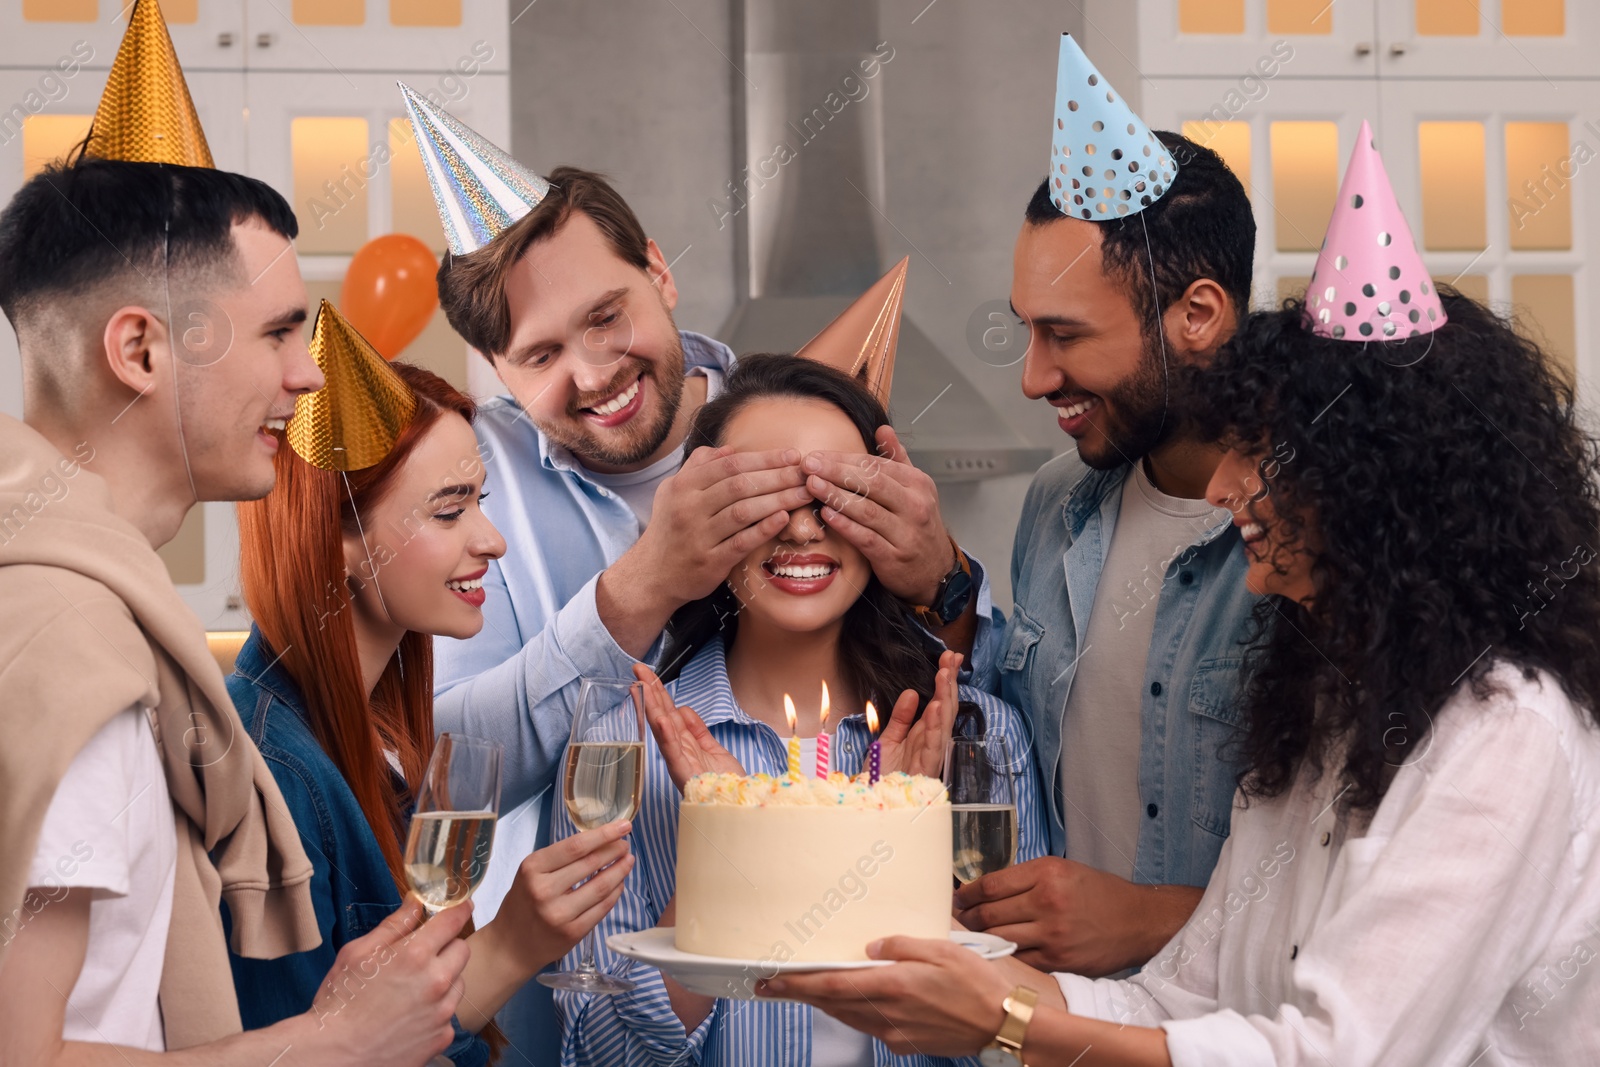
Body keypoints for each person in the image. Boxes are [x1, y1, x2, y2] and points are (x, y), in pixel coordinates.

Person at [758, 131, 1600, 1065]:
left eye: (1263, 451)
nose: (1222, 485)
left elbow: (1334, 1053)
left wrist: (1007, 1022)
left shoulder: (1506, 735)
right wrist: (900, 962)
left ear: (1378, 490)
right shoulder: (1315, 704)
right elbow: (1181, 993)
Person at [400, 88, 985, 1060]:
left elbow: (961, 664)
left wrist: (945, 578)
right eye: (541, 353)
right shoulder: (467, 483)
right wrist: (640, 588)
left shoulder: (781, 413)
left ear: (659, 271)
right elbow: (437, 768)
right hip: (540, 1006)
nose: (592, 372)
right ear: (495, 369)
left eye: (605, 315)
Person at [0, 5, 474, 1058]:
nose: (305, 374)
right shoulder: (68, 643)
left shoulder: (81, 603)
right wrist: (336, 1041)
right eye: (274, 333)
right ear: (140, 349)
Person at [552, 354, 1050, 1067]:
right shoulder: (620, 749)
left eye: (837, 497)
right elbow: (598, 1056)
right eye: (762, 499)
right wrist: (729, 837)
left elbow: (1024, 1042)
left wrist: (896, 836)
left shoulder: (978, 738)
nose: (802, 531)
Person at [225, 305, 638, 1064]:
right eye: (450, 510)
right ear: (340, 539)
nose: (492, 539)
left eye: (480, 500)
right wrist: (512, 939)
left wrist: (522, 938)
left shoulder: (379, 739)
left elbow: (403, 1035)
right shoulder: (272, 776)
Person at [955, 34, 1260, 978]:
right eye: (1026, 332)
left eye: (1066, 334)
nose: (1035, 376)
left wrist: (1160, 919)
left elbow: (1388, 892)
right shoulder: (1055, 505)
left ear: (1197, 317)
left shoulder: (1317, 534)